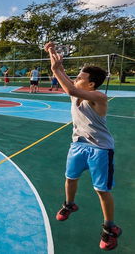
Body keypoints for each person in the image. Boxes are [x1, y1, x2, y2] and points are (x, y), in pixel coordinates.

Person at [45, 42, 122, 251]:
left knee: (101, 190)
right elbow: (62, 73)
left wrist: (55, 70)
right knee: (70, 178)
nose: (76, 79)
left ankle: (109, 228)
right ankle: (69, 204)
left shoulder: (99, 97)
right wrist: (52, 52)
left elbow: (67, 84)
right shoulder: (77, 93)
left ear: (91, 85)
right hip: (78, 145)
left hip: (100, 149)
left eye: (80, 78)